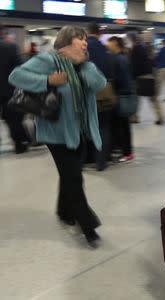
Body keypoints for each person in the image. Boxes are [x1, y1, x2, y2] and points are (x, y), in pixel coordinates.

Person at [9, 26, 107, 248]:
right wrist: (48, 81)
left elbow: (99, 84)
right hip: (55, 133)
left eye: (85, 40)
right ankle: (87, 225)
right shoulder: (49, 60)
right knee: (74, 177)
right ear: (67, 41)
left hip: (80, 131)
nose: (85, 43)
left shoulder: (85, 63)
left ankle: (63, 211)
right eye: (80, 39)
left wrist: (83, 64)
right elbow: (16, 76)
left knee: (69, 174)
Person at [87, 22, 113, 171]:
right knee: (103, 127)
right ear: (99, 33)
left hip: (87, 93)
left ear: (87, 31)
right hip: (104, 92)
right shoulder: (105, 49)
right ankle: (101, 162)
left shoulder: (83, 48)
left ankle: (84, 160)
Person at [0, 24, 29, 154]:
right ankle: (20, 144)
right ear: (3, 33)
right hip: (8, 90)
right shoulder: (11, 47)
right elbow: (21, 68)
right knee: (13, 119)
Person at [107, 36, 134, 163]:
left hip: (121, 95)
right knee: (123, 126)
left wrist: (110, 81)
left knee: (123, 126)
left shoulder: (119, 58)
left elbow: (121, 78)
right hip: (123, 94)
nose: (108, 45)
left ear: (115, 44)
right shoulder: (121, 57)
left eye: (110, 43)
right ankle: (126, 151)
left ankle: (127, 153)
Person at [129, 33, 163, 125]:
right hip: (150, 76)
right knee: (153, 98)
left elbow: (134, 66)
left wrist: (132, 78)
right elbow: (151, 61)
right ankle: (160, 117)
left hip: (139, 78)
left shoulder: (135, 50)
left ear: (132, 41)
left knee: (135, 99)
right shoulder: (144, 49)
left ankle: (134, 117)